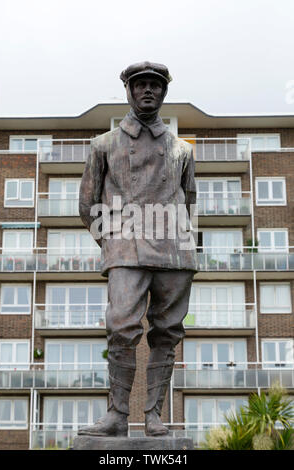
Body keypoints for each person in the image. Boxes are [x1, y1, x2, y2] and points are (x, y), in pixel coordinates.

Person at [78, 61, 198, 437]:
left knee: (167, 331)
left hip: (174, 253)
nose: (149, 91)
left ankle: (154, 415)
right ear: (128, 90)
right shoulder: (104, 144)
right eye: (141, 85)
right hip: (125, 248)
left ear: (164, 93)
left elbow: (189, 201)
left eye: (156, 86)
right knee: (121, 327)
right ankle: (117, 414)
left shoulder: (181, 149)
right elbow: (87, 204)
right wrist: (113, 241)